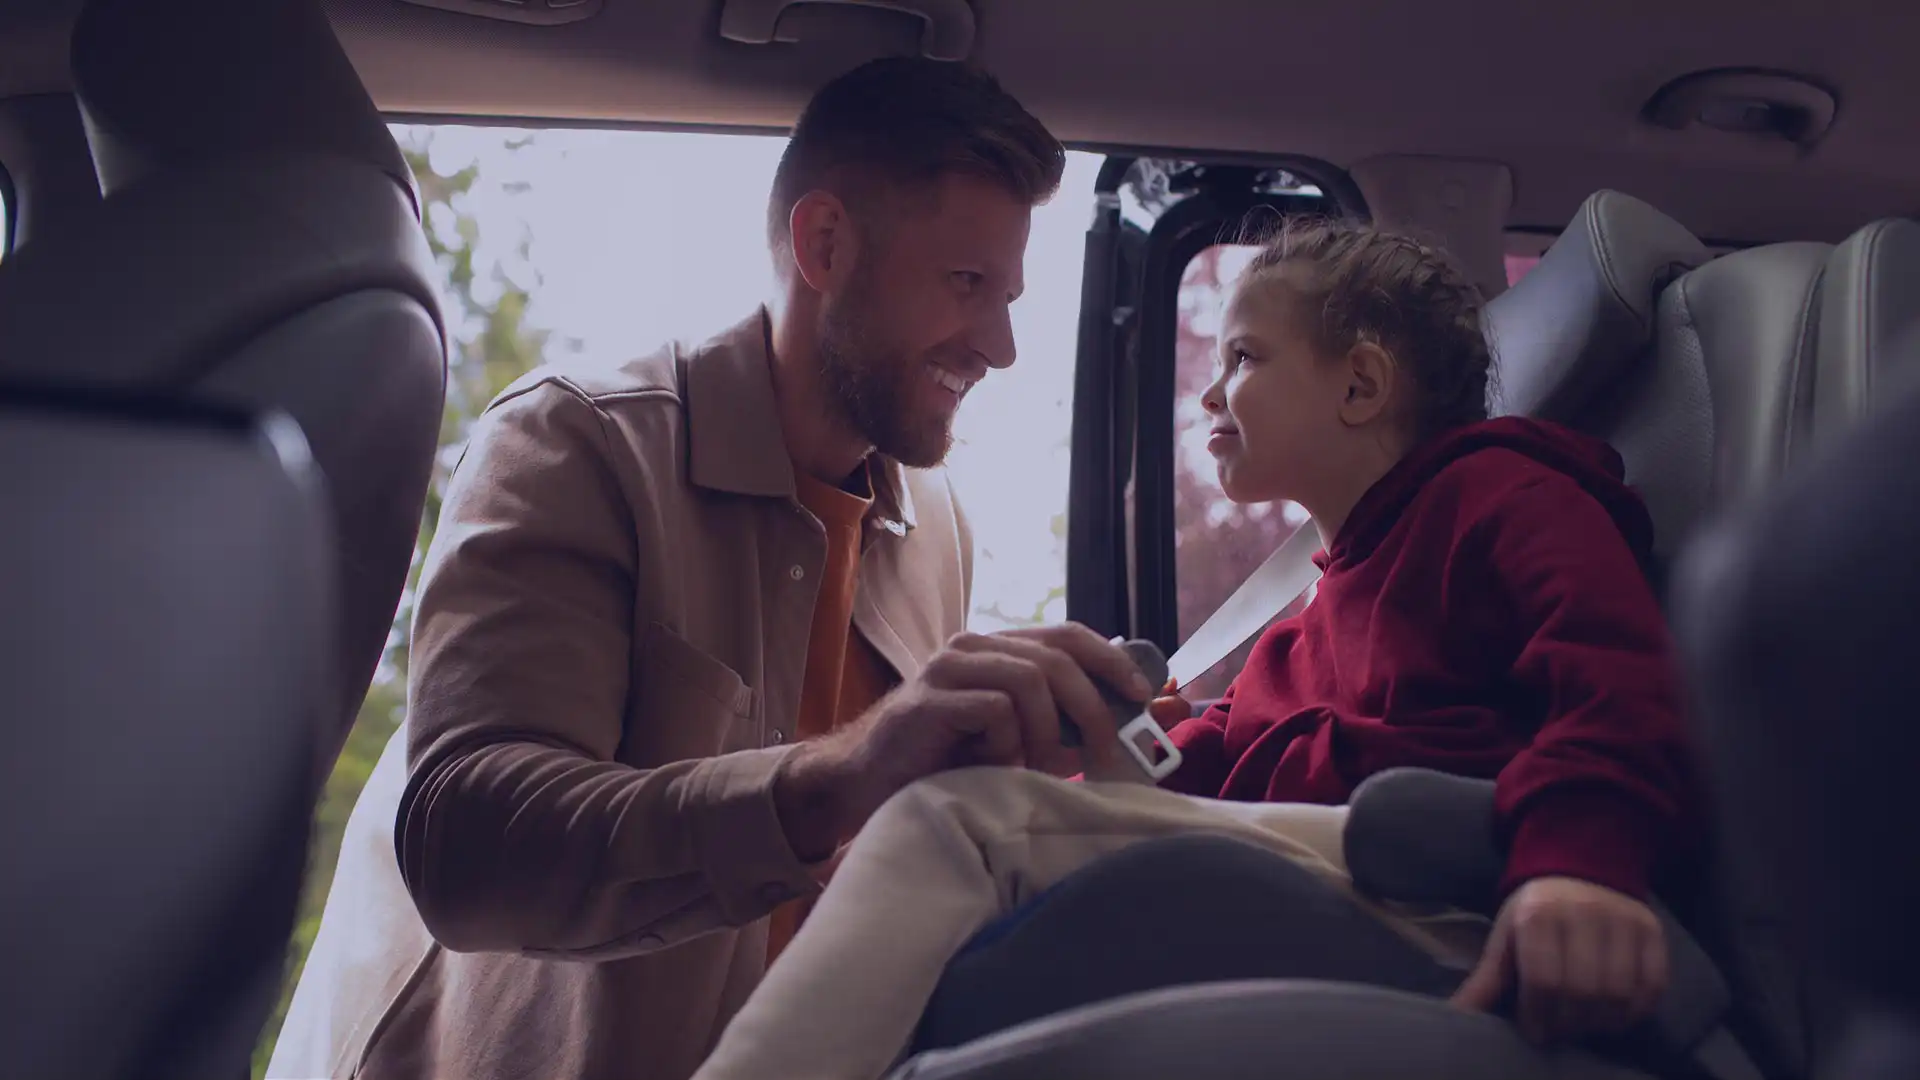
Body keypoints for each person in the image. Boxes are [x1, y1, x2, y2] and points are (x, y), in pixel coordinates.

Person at [267, 57, 1155, 1080]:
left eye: (1007, 296)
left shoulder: (937, 522)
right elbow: (467, 848)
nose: (999, 345)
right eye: (966, 285)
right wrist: (842, 774)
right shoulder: (575, 444)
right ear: (824, 245)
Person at [685, 219, 1705, 1080]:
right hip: (1334, 860)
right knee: (961, 838)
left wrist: (1579, 867)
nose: (1212, 396)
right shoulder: (1317, 607)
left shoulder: (1505, 499)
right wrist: (1098, 736)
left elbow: (1614, 684)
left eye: (1246, 359)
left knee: (950, 828)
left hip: (1447, 891)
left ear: (1361, 387)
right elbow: (1209, 756)